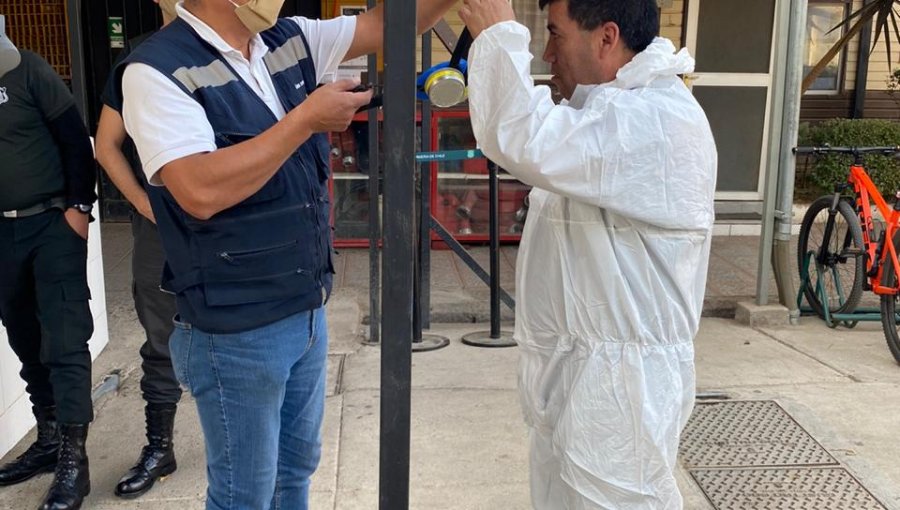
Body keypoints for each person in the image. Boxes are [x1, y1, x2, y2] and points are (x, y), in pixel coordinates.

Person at [117, 0, 457, 508]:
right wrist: (304, 121)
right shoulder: (156, 70)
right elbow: (198, 191)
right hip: (236, 329)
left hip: (306, 311)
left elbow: (389, 23)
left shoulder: (287, 39)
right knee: (243, 495)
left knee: (295, 472)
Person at [459, 0, 718, 507]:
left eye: (555, 34)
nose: (548, 53)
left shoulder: (655, 120)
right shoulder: (608, 111)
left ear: (606, 37)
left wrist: (499, 34)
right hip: (587, 376)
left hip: (620, 395)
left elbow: (520, 135)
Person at [0, 14, 97, 510]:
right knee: (24, 339)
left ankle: (74, 464)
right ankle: (49, 439)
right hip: (2, 233)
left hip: (51, 224)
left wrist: (80, 208)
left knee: (64, 339)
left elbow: (76, 139)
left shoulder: (28, 69)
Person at [95, 0, 181, 499]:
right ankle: (160, 445)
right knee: (161, 336)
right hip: (161, 228)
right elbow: (106, 144)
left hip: (230, 225)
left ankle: (253, 441)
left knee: (244, 337)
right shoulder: (136, 58)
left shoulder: (238, 48)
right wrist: (146, 206)